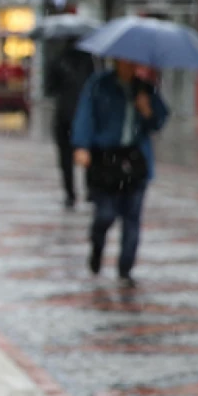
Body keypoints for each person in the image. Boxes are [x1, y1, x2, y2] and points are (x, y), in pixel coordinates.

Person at [72, 58, 169, 288]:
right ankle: (97, 247)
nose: (129, 65)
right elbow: (85, 116)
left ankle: (125, 269)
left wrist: (147, 111)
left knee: (132, 217)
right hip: (105, 159)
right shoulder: (98, 84)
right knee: (105, 214)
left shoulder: (145, 88)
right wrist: (82, 145)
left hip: (135, 160)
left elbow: (159, 120)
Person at [45, 39, 97, 209]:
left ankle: (70, 194)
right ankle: (90, 191)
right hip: (84, 113)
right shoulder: (88, 60)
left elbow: (49, 89)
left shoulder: (59, 60)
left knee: (66, 157)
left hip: (65, 115)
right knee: (88, 152)